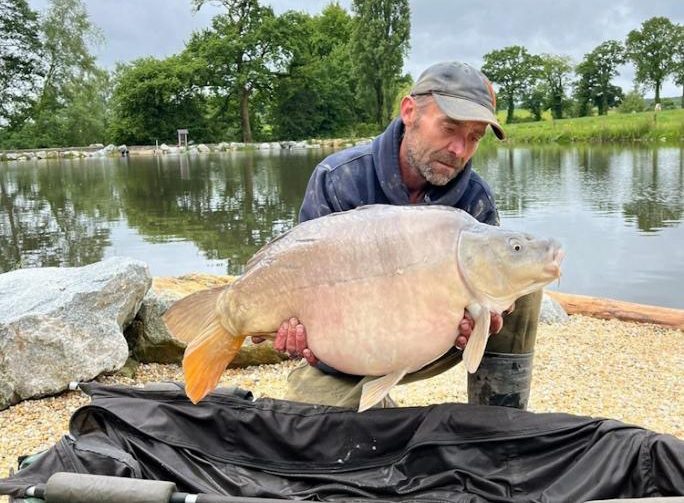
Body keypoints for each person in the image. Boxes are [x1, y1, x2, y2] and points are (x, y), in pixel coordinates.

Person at [263, 61, 542, 410]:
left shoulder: (475, 199)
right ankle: (375, 407)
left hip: (435, 342)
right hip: (350, 347)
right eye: (450, 128)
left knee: (518, 270)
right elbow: (297, 279)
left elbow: (486, 314)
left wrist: (487, 323)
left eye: (474, 137)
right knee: (326, 434)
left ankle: (498, 420)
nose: (460, 149)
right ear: (409, 112)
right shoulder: (338, 179)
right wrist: (300, 334)